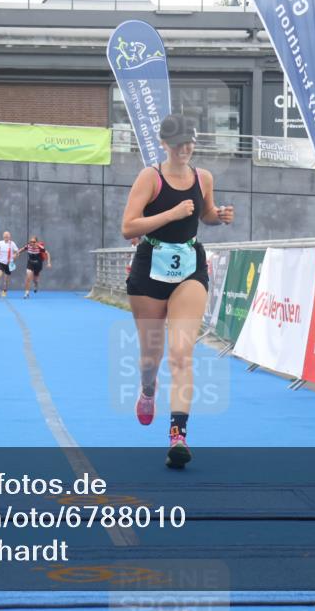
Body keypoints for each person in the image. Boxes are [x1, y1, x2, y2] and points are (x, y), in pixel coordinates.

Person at [121, 114, 234, 468]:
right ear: (164, 144)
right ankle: (149, 389)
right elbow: (129, 226)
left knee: (182, 353)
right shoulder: (149, 177)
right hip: (150, 266)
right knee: (150, 358)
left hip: (189, 266)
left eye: (190, 142)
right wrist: (169, 214)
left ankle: (178, 435)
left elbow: (205, 215)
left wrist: (220, 216)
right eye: (178, 143)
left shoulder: (204, 178)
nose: (185, 149)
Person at [0, 231, 18, 297]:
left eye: (7, 236)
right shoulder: (0, 243)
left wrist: (15, 255)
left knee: (6, 278)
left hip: (9, 263)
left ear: (9, 236)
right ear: (3, 236)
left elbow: (17, 252)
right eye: (5, 236)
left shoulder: (12, 243)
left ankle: (4, 291)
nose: (6, 237)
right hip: (1, 263)